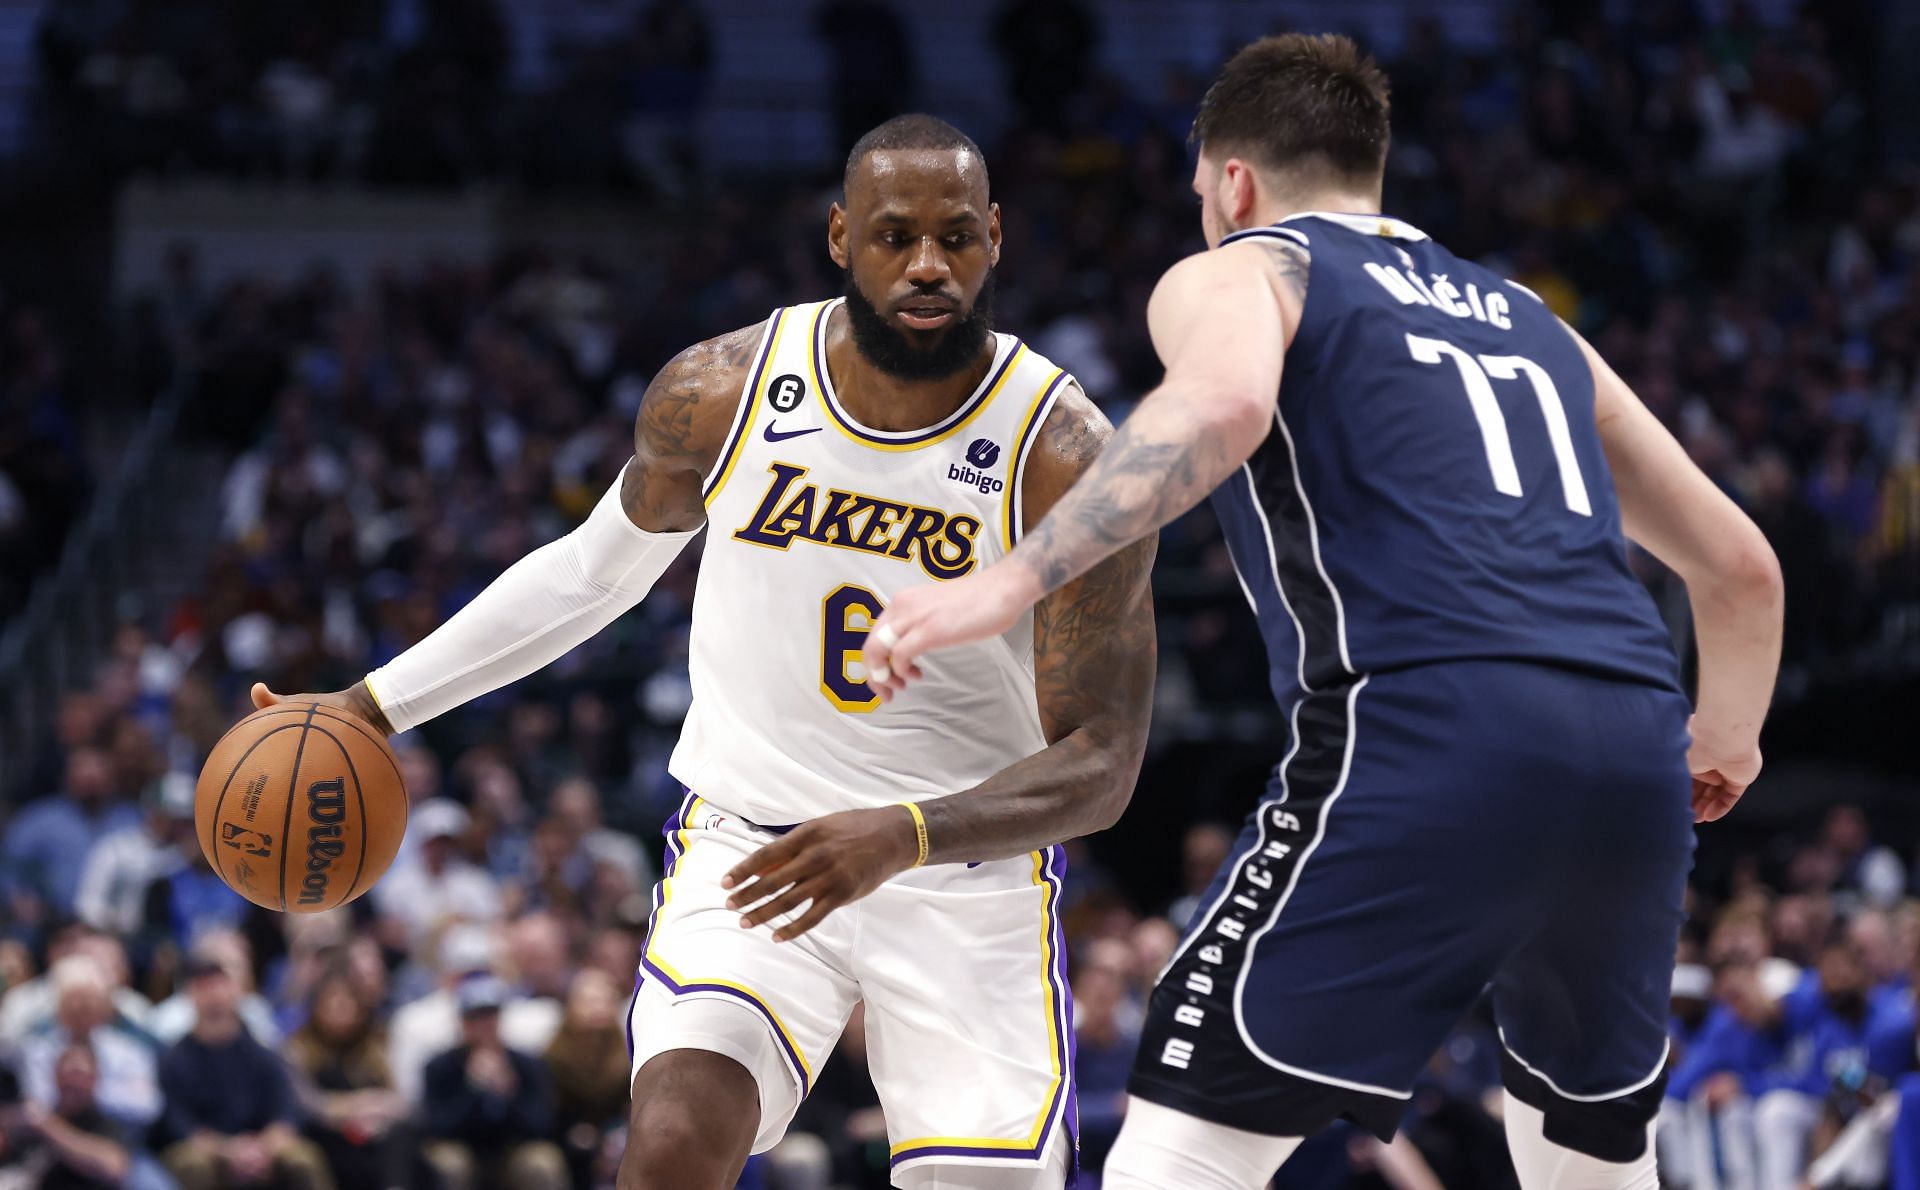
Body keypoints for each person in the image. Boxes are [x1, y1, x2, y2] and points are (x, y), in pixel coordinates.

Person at [865, 34, 1784, 1190]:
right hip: (1636, 745)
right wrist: (1726, 738)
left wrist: (1003, 580)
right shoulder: (1532, 321)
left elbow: (1226, 398)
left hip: (1432, 718)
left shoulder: (1251, 264)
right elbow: (1742, 567)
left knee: (1186, 1129)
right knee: (1588, 1154)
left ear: (1234, 182)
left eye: (1203, 194)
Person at [255, 111, 1156, 1189]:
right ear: (839, 237)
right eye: (894, 234)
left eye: (957, 236)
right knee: (676, 1141)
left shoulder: (1064, 453)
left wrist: (904, 831)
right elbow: (593, 572)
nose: (928, 264)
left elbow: (1103, 760)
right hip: (754, 846)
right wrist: (368, 704)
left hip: (960, 872)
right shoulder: (722, 391)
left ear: (998, 238)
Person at [157, 956, 334, 1190]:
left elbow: (285, 1115)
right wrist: (229, 1151)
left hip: (262, 1148)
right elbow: (180, 1127)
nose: (215, 996)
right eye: (204, 988)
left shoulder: (263, 1054)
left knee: (303, 1158)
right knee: (191, 1163)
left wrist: (261, 1150)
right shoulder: (174, 1061)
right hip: (209, 1151)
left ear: (236, 992)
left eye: (221, 986)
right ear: (190, 995)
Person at [420, 976, 567, 1190]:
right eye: (476, 1018)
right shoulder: (440, 1067)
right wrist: (473, 1089)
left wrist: (508, 1092)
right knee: (448, 1163)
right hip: (462, 1149)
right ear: (462, 1023)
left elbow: (542, 1126)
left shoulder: (527, 1064)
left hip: (512, 1150)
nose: (485, 1025)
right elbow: (438, 1127)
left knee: (542, 1162)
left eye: (491, 1016)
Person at [0, 1042, 132, 1190]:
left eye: (80, 1075)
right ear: (55, 1076)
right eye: (69, 1073)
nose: (74, 1082)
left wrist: (48, 1126)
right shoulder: (32, 1121)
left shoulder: (106, 1125)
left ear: (95, 1079)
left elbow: (113, 1167)